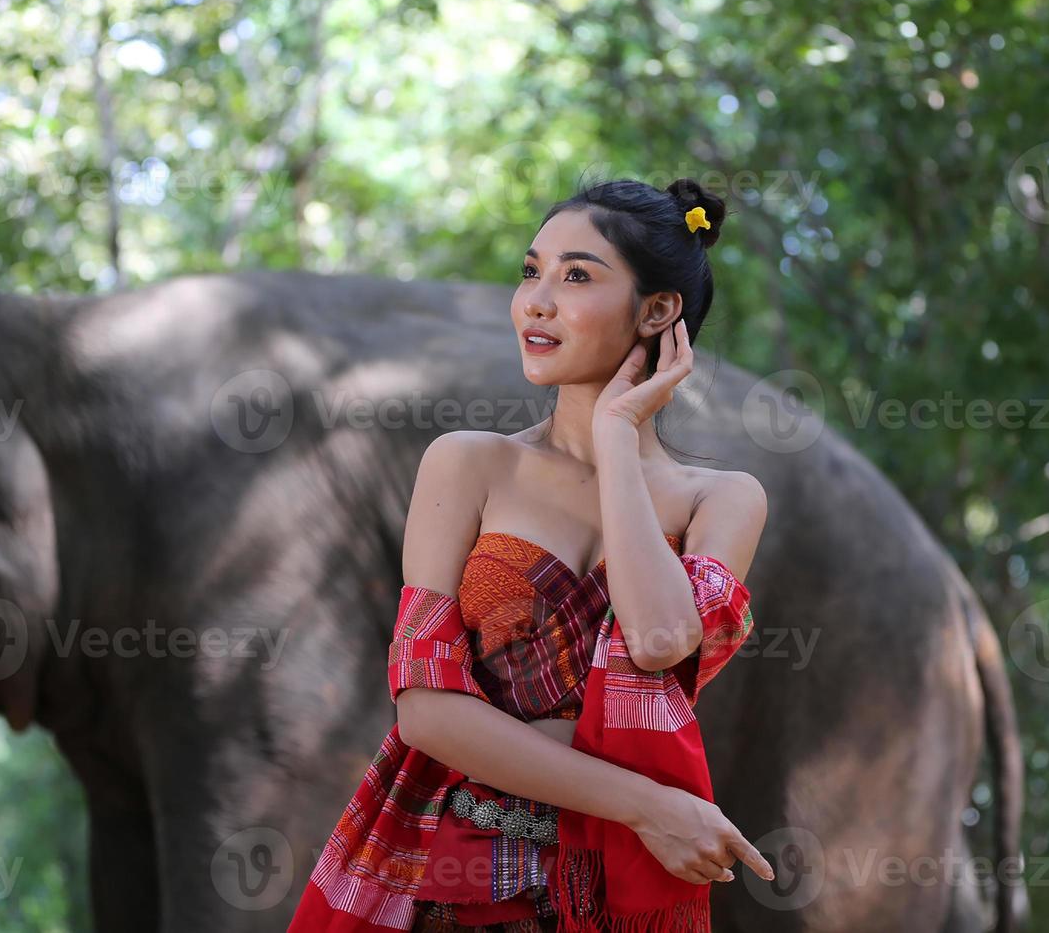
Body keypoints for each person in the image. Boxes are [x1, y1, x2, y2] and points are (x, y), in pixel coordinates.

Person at [288, 177, 773, 933]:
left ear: (658, 310)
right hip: (462, 874)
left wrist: (616, 437)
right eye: (530, 271)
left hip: (620, 884)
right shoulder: (469, 465)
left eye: (576, 275)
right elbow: (426, 712)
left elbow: (661, 642)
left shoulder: (724, 498)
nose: (535, 301)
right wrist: (653, 808)